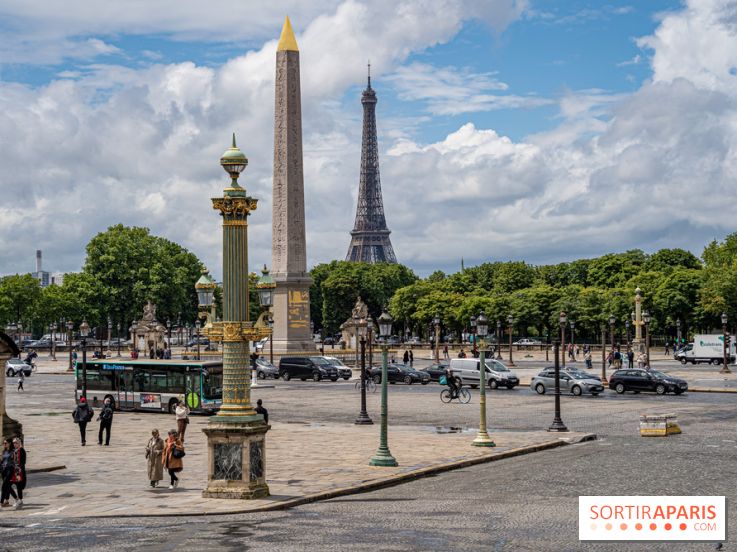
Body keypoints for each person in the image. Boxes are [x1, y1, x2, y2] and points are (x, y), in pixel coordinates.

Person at [10, 438, 25, 509]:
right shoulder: (13, 451)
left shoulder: (22, 450)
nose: (14, 444)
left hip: (19, 471)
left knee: (19, 486)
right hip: (13, 471)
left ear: (19, 443)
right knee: (8, 485)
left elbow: (23, 462)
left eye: (16, 443)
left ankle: (20, 500)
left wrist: (18, 467)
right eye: (14, 443)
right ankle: (16, 498)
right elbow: (12, 460)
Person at [1, 439, 16, 507]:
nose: (4, 444)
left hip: (10, 470)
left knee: (4, 485)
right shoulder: (4, 451)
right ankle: (8, 501)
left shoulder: (12, 452)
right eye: (3, 443)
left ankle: (1, 502)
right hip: (4, 470)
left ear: (9, 443)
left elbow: (15, 461)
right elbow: (2, 461)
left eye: (6, 443)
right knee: (8, 486)